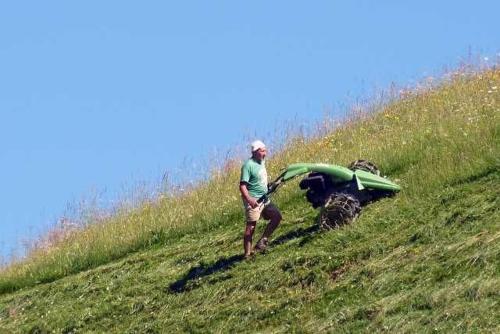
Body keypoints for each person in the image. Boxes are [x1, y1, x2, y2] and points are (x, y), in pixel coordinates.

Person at [239, 140, 282, 258]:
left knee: (277, 216)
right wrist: (249, 200)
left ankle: (262, 241)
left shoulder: (262, 161)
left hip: (264, 198)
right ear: (256, 152)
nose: (265, 153)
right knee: (251, 226)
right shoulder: (248, 166)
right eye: (263, 151)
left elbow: (260, 179)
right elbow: (242, 186)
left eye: (265, 150)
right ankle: (247, 254)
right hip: (254, 200)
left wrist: (269, 185)